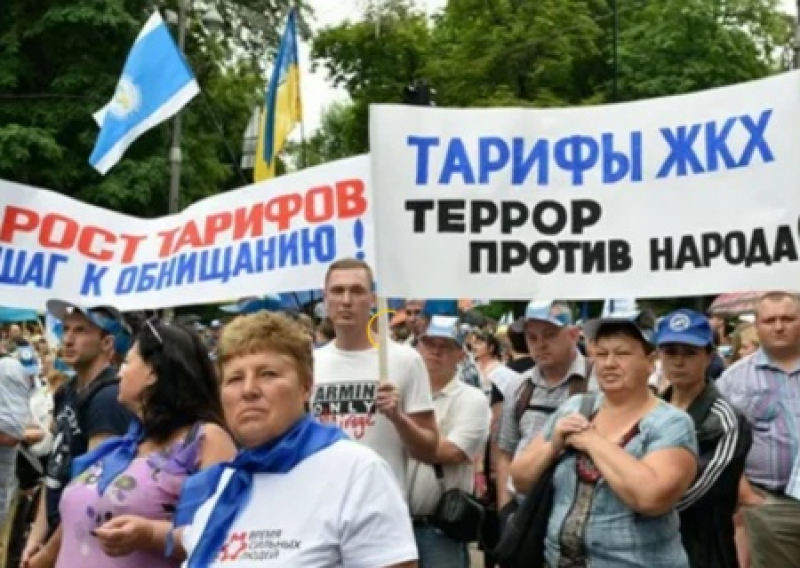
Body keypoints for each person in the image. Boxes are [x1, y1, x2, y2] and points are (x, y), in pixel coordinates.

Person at [177, 311, 419, 567]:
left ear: (305, 387)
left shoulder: (356, 473)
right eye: (235, 378)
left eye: (267, 374)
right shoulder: (217, 485)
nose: (248, 390)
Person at [509, 313, 698, 567]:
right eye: (600, 354)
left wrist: (592, 441)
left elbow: (652, 498)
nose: (609, 363)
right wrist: (553, 445)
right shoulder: (576, 407)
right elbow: (520, 480)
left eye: (622, 354)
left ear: (650, 362)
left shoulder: (671, 423)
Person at [53, 319, 236, 568]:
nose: (119, 373)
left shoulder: (205, 439)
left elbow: (221, 535)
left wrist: (150, 534)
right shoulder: (125, 446)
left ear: (152, 373)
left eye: (127, 362)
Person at [312, 258, 438, 495]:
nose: (346, 300)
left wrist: (398, 418)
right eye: (338, 291)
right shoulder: (311, 364)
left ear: (372, 299)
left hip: (381, 506)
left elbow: (429, 450)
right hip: (324, 505)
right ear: (325, 298)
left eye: (357, 291)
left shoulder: (404, 360)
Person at [23, 301, 134, 568]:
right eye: (66, 329)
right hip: (55, 536)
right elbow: (54, 470)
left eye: (81, 331)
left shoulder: (108, 398)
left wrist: (47, 557)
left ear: (107, 343)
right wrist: (36, 537)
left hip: (82, 543)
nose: (68, 339)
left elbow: (91, 495)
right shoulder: (66, 391)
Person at [656, 309, 752, 568]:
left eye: (690, 353)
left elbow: (697, 492)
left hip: (702, 548)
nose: (679, 361)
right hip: (650, 546)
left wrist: (640, 502)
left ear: (709, 356)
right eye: (670, 352)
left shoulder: (725, 419)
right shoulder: (650, 409)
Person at [717, 291, 800, 568]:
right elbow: (721, 443)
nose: (779, 326)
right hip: (772, 506)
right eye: (769, 320)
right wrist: (746, 495)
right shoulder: (733, 379)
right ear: (757, 325)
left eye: (788, 318)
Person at [409, 316, 490, 567]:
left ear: (460, 355)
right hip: (393, 525)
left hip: (440, 528)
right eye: (429, 343)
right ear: (418, 347)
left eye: (445, 345)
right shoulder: (401, 394)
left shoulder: (473, 400)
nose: (436, 351)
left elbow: (452, 452)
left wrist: (399, 429)